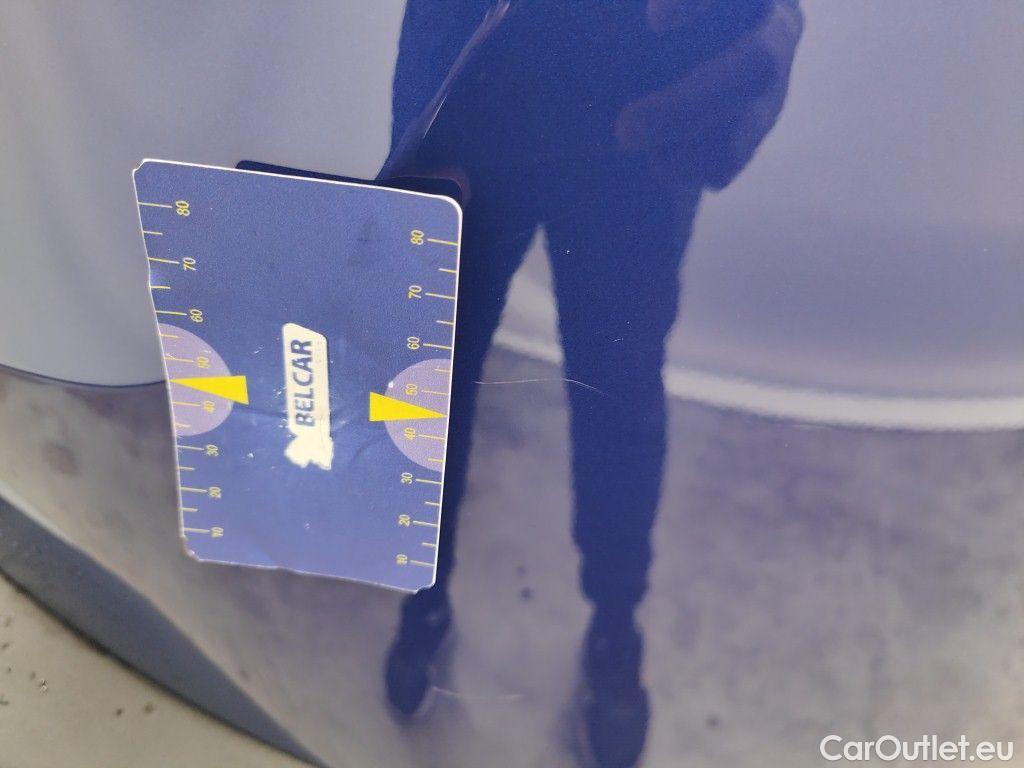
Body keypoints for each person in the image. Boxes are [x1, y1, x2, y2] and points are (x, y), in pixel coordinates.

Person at [382, 2, 802, 765]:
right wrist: (422, 103)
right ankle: (426, 591)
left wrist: (772, 19)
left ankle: (614, 621)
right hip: (482, 92)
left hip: (640, 113)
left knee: (621, 390)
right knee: (435, 371)